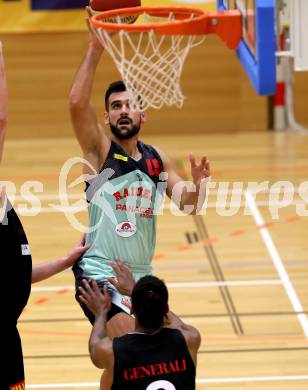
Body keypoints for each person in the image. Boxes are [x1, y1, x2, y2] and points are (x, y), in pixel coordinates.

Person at [69, 10, 210, 337]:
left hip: (140, 277)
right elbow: (77, 104)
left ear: (142, 114)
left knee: (163, 346)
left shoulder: (156, 159)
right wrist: (95, 47)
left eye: (129, 105)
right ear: (106, 117)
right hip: (99, 273)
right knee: (131, 349)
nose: (122, 111)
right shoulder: (99, 153)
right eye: (115, 106)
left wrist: (201, 185)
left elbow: (189, 205)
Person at [0, 41, 90, 390]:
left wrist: (66, 260)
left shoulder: (6, 219)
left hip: (8, 343)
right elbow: (2, 122)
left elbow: (18, 276)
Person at [79, 259, 201, 390]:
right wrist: (135, 292)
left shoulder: (114, 351)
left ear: (132, 309)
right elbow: (178, 325)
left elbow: (95, 349)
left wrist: (101, 312)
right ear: (166, 309)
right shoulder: (189, 339)